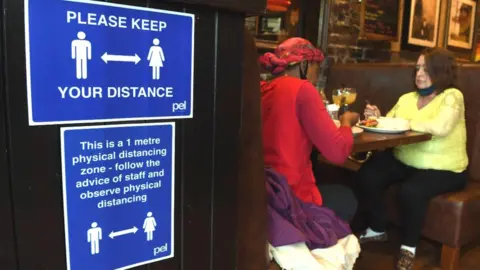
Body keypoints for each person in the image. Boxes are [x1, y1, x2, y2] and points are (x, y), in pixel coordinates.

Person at [359, 47, 468, 270]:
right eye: (417, 68)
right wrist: (376, 118)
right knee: (368, 173)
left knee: (411, 191)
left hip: (444, 168)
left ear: (441, 71)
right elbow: (388, 124)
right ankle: (378, 228)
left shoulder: (452, 96)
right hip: (406, 159)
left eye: (426, 69)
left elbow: (441, 127)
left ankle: (409, 248)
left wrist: (405, 123)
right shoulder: (407, 98)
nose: (419, 73)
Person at [259, 37, 360, 222]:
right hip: (291, 197)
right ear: (304, 65)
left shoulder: (262, 88)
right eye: (316, 67)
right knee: (348, 199)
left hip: (262, 192)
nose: (316, 75)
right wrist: (346, 123)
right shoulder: (302, 89)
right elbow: (338, 153)